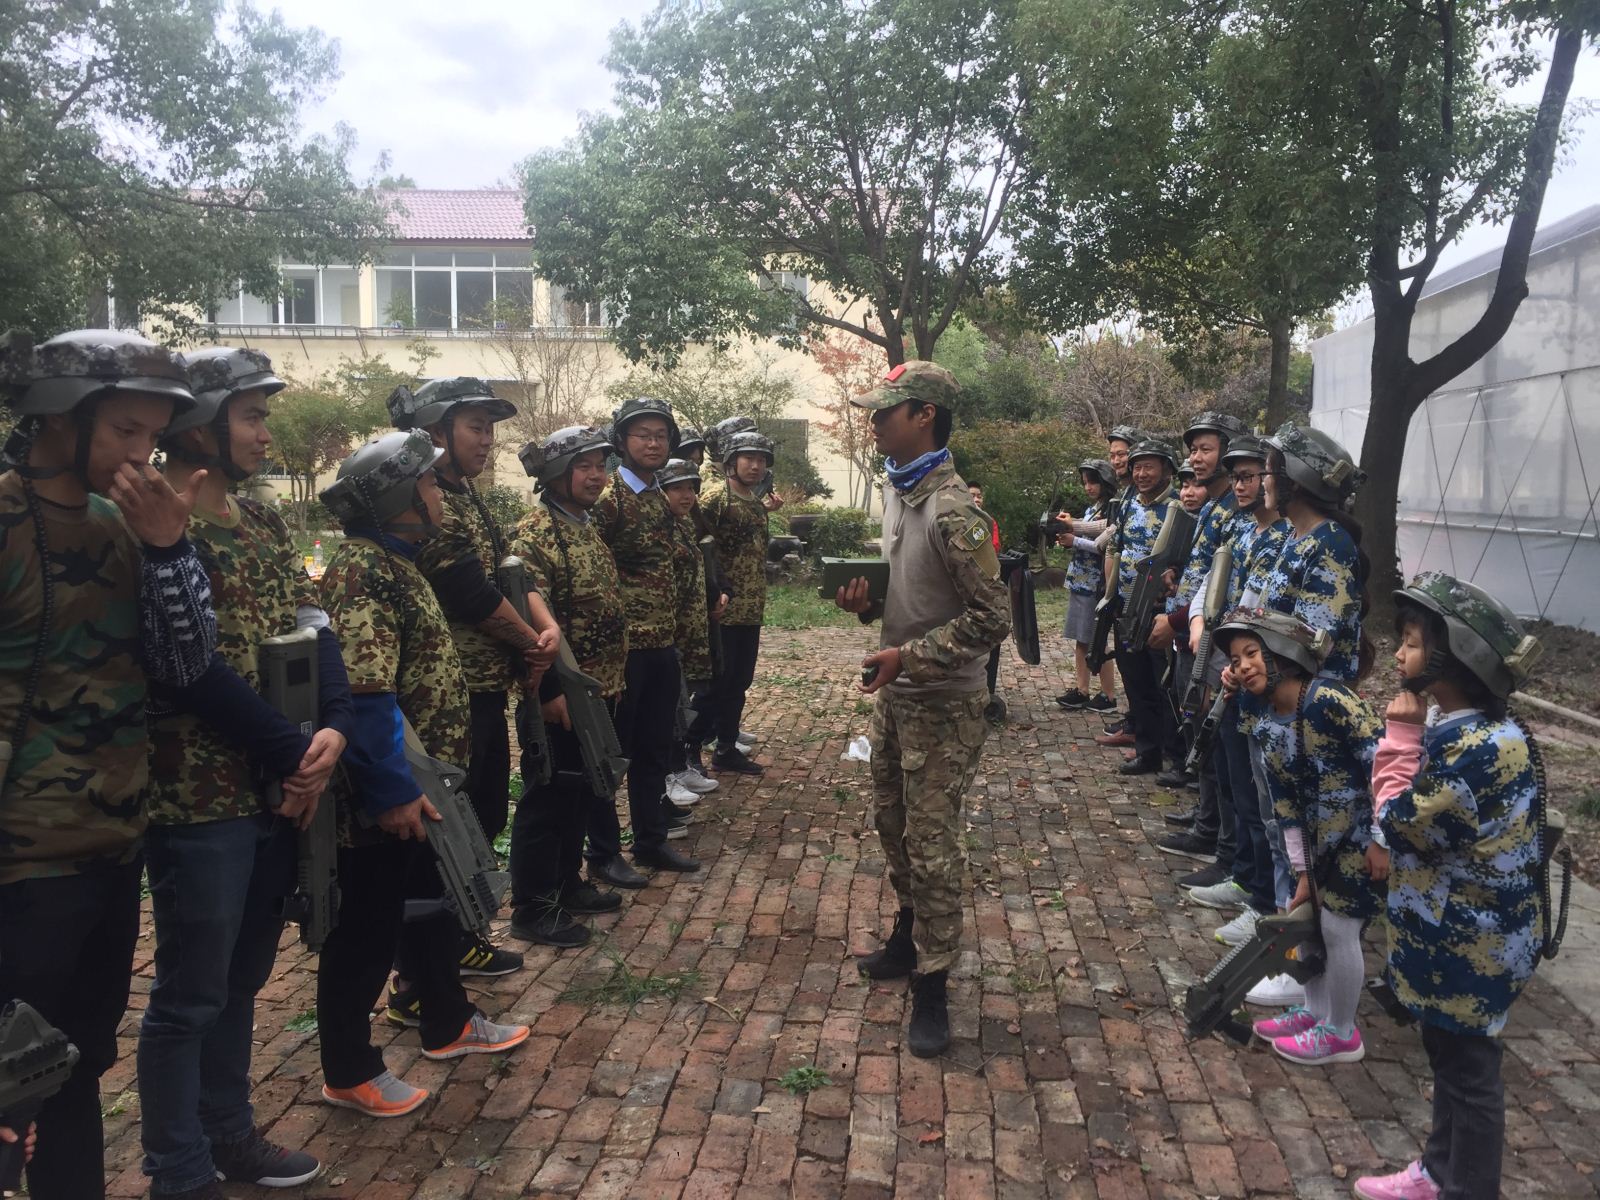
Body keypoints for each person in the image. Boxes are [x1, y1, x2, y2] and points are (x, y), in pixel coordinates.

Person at [0, 329, 217, 1199]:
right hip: (21, 864)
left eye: (153, 436)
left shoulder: (127, 525)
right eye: (126, 430)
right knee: (10, 1085)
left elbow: (186, 663)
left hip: (113, 843)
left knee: (74, 1065)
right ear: (61, 417)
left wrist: (169, 549)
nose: (143, 455)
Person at [139, 348, 355, 1197]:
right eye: (252, 417)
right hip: (198, 796)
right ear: (199, 426)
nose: (266, 434)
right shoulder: (154, 525)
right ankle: (178, 1167)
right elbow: (186, 669)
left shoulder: (261, 522)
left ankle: (228, 1134)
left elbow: (313, 622)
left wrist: (333, 724)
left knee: (240, 980)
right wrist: (289, 749)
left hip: (276, 787)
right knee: (189, 994)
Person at [314, 431, 529, 1119]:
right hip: (389, 789)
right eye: (431, 484)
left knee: (428, 903)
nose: (441, 494)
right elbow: (365, 691)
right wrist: (392, 791)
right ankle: (349, 1070)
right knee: (365, 930)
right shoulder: (364, 570)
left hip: (422, 785)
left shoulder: (397, 562)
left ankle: (447, 1020)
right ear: (402, 497)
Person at [834, 361, 1010, 1058]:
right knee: (895, 828)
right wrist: (867, 607)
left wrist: (906, 658)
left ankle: (933, 984)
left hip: (945, 706)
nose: (874, 423)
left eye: (886, 412)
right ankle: (909, 938)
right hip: (898, 700)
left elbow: (992, 618)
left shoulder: (953, 509)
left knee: (933, 849)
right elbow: (914, 599)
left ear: (924, 416)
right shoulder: (901, 492)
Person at [1352, 573, 1545, 1200]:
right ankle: (1439, 1171)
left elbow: (1398, 823)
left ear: (1454, 657)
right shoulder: (1473, 730)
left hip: (1470, 947)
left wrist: (1399, 739)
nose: (1399, 654)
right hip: (1464, 938)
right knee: (1451, 1061)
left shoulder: (1473, 751)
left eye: (1411, 644)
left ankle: (1468, 1186)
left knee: (1469, 1076)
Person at [393, 377, 560, 976]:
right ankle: (424, 969)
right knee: (449, 824)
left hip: (482, 688)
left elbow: (507, 576)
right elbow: (469, 592)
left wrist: (540, 633)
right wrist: (531, 643)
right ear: (435, 431)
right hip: (447, 694)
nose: (487, 440)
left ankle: (459, 939)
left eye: (490, 429)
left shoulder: (465, 495)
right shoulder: (423, 499)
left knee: (483, 815)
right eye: (475, 427)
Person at [1212, 608, 1383, 1067]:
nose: (1243, 666)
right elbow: (1284, 802)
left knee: (1339, 930)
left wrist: (1382, 839)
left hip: (1359, 839)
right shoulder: (1265, 719)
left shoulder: (1330, 700)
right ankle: (1314, 1011)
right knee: (1309, 922)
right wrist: (1302, 871)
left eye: (1252, 653)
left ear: (1283, 652)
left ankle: (1341, 1032)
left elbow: (1384, 768)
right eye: (1235, 659)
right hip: (1316, 846)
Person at [506, 426, 631, 940]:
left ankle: (568, 882)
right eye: (585, 467)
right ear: (557, 473)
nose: (597, 476)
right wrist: (551, 690)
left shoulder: (583, 525)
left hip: (596, 689)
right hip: (560, 692)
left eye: (601, 466)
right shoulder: (535, 533)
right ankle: (533, 906)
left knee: (582, 791)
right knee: (548, 797)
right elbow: (529, 619)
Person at [595, 397, 700, 873]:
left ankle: (651, 841)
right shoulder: (608, 499)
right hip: (623, 652)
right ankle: (602, 852)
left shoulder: (660, 496)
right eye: (643, 435)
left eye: (660, 435)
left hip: (661, 644)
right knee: (613, 754)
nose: (653, 443)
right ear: (621, 441)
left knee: (655, 749)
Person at [687, 430, 773, 775]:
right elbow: (696, 547)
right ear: (731, 462)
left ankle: (726, 748)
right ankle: (688, 751)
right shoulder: (714, 499)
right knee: (714, 686)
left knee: (739, 683)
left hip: (750, 609)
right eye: (748, 459)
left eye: (761, 460)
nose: (755, 466)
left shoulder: (755, 501)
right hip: (721, 611)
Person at [1105, 438, 1184, 777]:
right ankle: (1147, 751)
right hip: (1126, 607)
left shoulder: (1180, 507)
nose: (1141, 474)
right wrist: (1110, 596)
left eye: (1149, 467)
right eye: (1137, 467)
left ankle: (1175, 755)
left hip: (1160, 611)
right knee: (1135, 681)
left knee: (1164, 684)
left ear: (1167, 469)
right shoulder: (1128, 503)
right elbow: (1115, 547)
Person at [658, 457, 716, 837]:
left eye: (691, 488)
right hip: (666, 634)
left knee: (681, 708)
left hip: (687, 632)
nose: (687, 495)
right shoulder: (659, 528)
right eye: (677, 488)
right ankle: (667, 778)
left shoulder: (684, 526)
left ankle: (679, 768)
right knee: (665, 713)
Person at [1055, 459, 1120, 713]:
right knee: (1081, 639)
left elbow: (1103, 545)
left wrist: (1074, 540)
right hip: (1080, 580)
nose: (1088, 487)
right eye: (1085, 482)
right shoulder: (1094, 508)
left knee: (1097, 638)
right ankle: (1082, 690)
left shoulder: (1112, 509)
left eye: (1093, 482)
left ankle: (1108, 694)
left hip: (1095, 582)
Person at [966, 479, 1007, 723]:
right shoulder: (957, 520)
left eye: (979, 495)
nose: (976, 499)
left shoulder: (987, 522)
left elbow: (992, 548)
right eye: (972, 495)